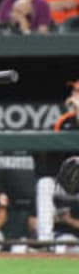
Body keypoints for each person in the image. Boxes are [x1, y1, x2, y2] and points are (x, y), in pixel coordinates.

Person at [33, 80, 79, 251]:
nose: (74, 95)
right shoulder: (63, 121)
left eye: (78, 92)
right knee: (45, 183)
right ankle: (45, 241)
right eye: (74, 91)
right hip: (70, 183)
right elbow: (51, 157)